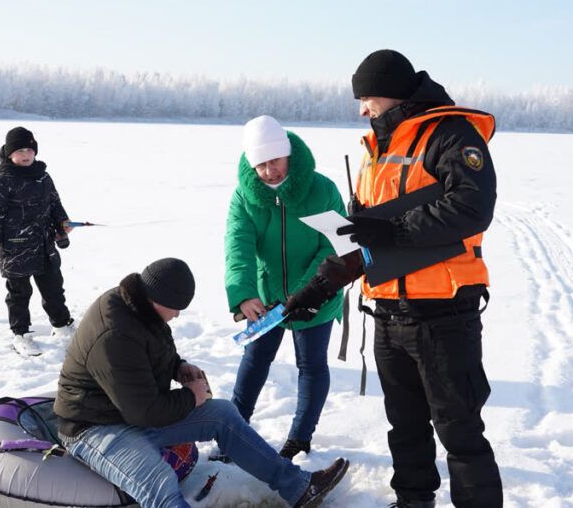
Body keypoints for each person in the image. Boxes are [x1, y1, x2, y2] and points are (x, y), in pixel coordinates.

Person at [286, 50, 504, 507]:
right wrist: (318, 287)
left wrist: (394, 230)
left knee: (460, 430)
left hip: (444, 314)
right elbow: (365, 241)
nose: (362, 110)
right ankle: (412, 502)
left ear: (391, 93)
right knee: (404, 427)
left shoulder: (450, 134)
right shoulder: (377, 150)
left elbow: (472, 207)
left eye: (366, 99)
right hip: (388, 315)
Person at [53, 258, 350, 508]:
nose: (177, 315)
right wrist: (191, 397)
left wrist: (178, 367)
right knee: (159, 482)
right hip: (94, 427)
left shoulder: (139, 305)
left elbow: (150, 353)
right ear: (157, 299)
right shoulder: (115, 333)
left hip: (128, 412)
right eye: (175, 308)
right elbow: (144, 412)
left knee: (223, 415)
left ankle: (299, 488)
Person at [223, 115, 346, 459]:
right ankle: (233, 432)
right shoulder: (244, 196)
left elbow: (334, 246)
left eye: (274, 160)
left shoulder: (322, 189)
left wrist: (307, 292)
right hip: (267, 299)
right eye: (260, 165)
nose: (269, 171)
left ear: (287, 153)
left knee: (312, 365)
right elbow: (238, 246)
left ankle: (299, 440)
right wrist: (244, 294)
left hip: (318, 295)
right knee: (254, 361)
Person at [0, 126, 75, 354]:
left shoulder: (43, 176)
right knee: (19, 295)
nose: (26, 154)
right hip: (15, 249)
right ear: (9, 153)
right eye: (20, 150)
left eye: (30, 150)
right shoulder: (1, 181)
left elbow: (55, 204)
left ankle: (62, 326)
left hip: (44, 245)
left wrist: (62, 223)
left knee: (54, 289)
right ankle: (21, 335)